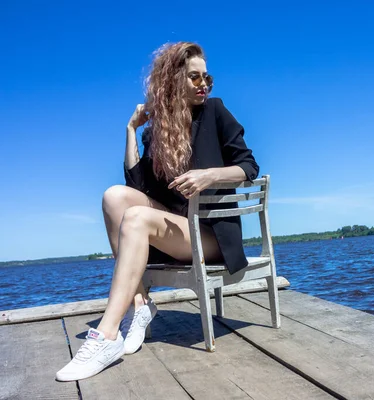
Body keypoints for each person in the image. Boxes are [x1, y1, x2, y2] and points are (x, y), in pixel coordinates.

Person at [56, 41, 259, 381]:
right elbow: (138, 187)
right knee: (113, 198)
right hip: (177, 231)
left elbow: (248, 166)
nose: (203, 84)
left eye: (206, 77)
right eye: (194, 77)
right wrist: (131, 131)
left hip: (211, 235)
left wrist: (210, 175)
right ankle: (139, 303)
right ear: (173, 79)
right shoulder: (159, 130)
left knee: (136, 217)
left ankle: (106, 335)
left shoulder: (216, 111)